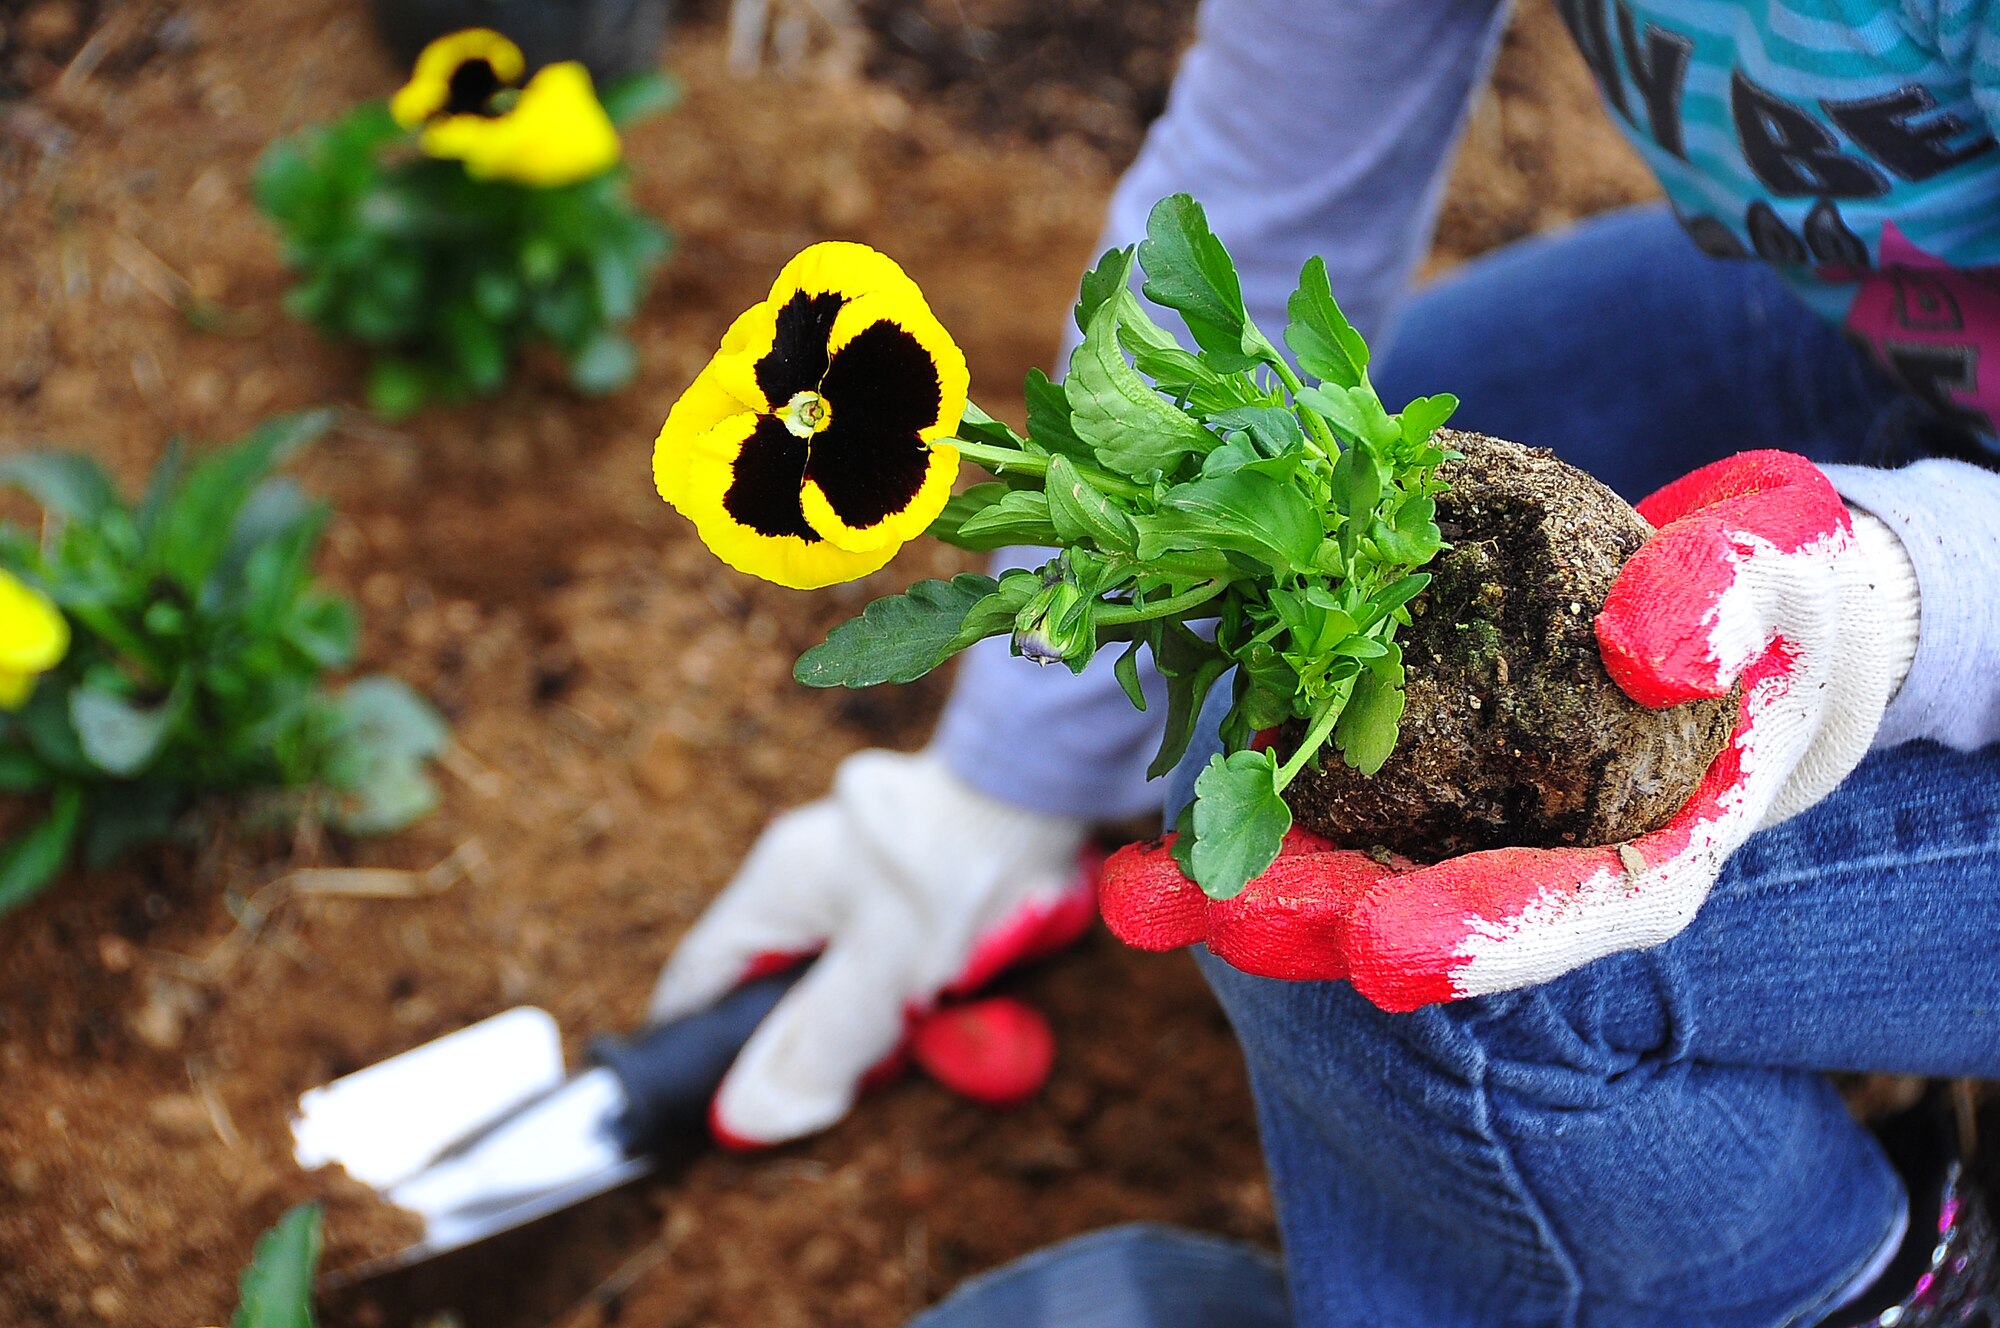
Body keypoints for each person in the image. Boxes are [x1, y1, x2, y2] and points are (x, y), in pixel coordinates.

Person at [647, 1, 2000, 1322]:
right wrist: (1006, 778)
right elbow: (1268, 174)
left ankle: (1857, 1292)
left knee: (1420, 963)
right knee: (1372, 491)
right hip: (1930, 342)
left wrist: (1897, 607)